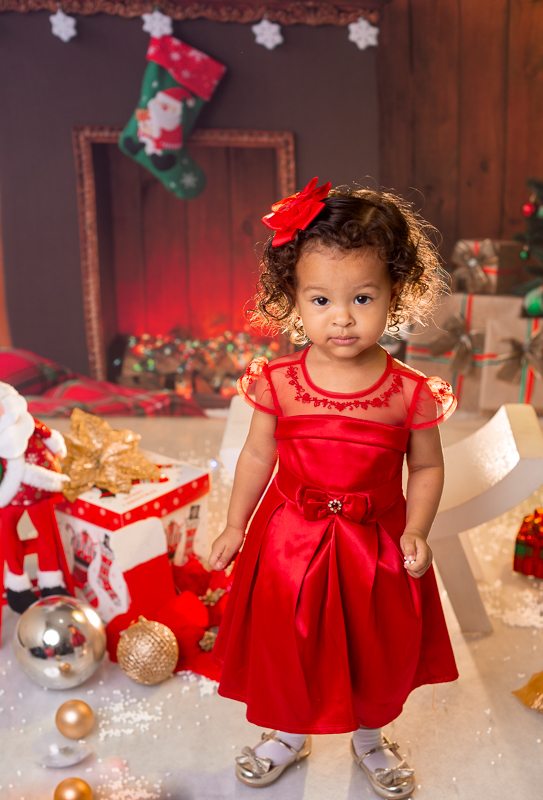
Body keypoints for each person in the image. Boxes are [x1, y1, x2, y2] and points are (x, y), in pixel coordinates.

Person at [209, 178, 458, 799]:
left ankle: (370, 736)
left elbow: (427, 467)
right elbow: (258, 454)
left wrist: (417, 529)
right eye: (320, 299)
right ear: (292, 297)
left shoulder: (409, 393)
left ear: (396, 293)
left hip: (375, 546)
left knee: (374, 645)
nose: (341, 317)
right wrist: (236, 524)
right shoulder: (280, 382)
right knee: (290, 640)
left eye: (362, 298)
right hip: (289, 545)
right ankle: (289, 732)